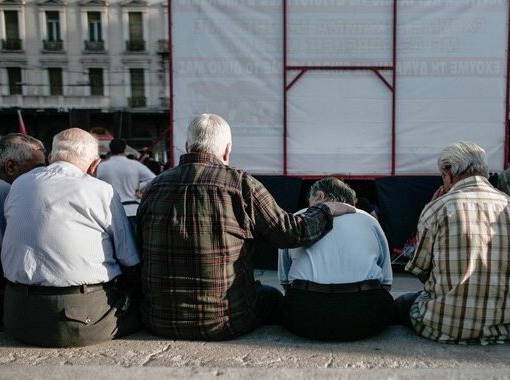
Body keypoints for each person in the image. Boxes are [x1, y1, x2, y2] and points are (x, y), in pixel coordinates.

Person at [136, 114, 354, 341]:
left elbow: (140, 247)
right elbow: (290, 233)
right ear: (227, 150)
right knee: (272, 296)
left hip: (158, 320)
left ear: (187, 146)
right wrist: (324, 210)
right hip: (226, 322)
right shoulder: (241, 185)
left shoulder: (154, 187)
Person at [2, 128, 140, 347]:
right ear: (94, 165)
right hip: (79, 318)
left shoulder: (19, 185)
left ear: (51, 157)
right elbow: (129, 259)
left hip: (18, 316)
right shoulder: (101, 191)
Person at [396, 142, 510, 344]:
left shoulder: (437, 208)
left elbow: (422, 271)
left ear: (448, 172)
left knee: (402, 303)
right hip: (505, 327)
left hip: (443, 326)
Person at [278, 177, 394, 341]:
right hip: (367, 318)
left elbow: (284, 282)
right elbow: (387, 282)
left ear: (319, 196)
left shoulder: (298, 218)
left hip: (303, 318)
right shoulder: (369, 220)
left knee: (272, 297)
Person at [0, 134, 46, 325]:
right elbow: (9, 246)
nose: (44, 173)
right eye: (38, 168)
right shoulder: (5, 191)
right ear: (11, 167)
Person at [97, 138, 156, 230]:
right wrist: (140, 188)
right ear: (125, 149)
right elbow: (153, 178)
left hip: (111, 212)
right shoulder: (134, 164)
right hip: (133, 209)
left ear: (110, 150)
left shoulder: (102, 167)